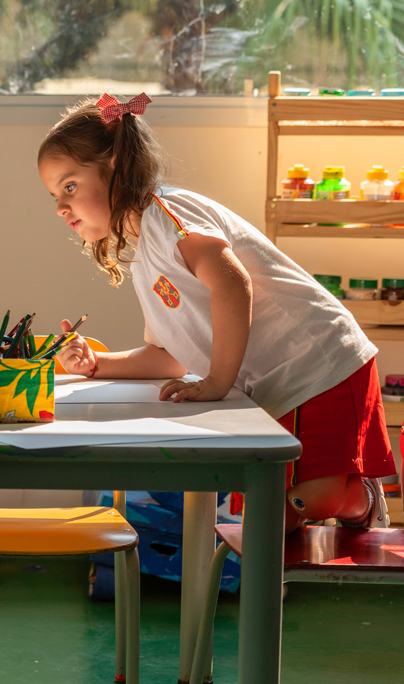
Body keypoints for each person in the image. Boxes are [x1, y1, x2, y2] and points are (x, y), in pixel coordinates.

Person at [39, 93, 396, 533]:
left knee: (313, 499)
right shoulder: (145, 256)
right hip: (276, 383)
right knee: (269, 516)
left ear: (114, 166)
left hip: (319, 363)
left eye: (69, 186)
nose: (60, 206)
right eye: (55, 194)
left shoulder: (169, 214)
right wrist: (99, 364)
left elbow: (233, 283)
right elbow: (169, 355)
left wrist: (217, 382)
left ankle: (361, 498)